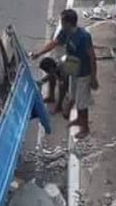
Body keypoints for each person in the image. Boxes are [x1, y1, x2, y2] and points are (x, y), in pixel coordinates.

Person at [32, 9, 98, 138]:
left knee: (82, 102)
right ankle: (79, 119)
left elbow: (92, 57)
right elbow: (54, 43)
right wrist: (39, 53)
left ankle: (85, 128)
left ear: (68, 23)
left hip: (83, 73)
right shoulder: (65, 33)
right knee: (73, 95)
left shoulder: (84, 37)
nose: (61, 23)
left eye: (62, 21)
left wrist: (93, 76)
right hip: (73, 70)